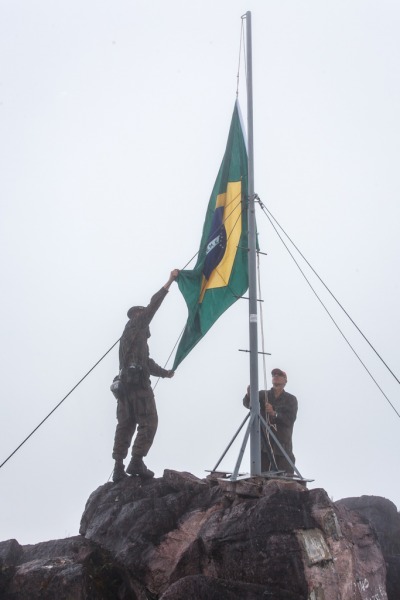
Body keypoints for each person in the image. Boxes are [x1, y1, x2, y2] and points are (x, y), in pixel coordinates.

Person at [111, 269, 179, 482]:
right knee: (149, 421)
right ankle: (136, 461)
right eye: (141, 314)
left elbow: (147, 364)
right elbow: (154, 305)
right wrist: (170, 281)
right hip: (138, 387)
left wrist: (166, 373)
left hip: (124, 388)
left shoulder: (131, 340)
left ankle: (118, 467)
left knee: (126, 424)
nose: (145, 318)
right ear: (138, 316)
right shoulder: (137, 325)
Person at [243, 368, 298, 474]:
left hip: (282, 446)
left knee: (286, 477)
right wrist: (249, 395)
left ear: (285, 380)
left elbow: (290, 419)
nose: (276, 376)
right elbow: (247, 404)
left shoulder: (291, 399)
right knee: (262, 476)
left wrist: (274, 413)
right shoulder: (263, 395)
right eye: (274, 375)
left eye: (279, 375)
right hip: (264, 447)